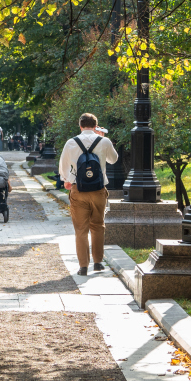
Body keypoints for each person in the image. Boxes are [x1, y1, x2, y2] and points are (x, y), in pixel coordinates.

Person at [58, 113, 118, 276]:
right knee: (98, 226)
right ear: (96, 125)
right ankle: (98, 263)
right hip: (98, 190)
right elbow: (114, 159)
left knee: (80, 229)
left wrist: (66, 180)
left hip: (78, 190)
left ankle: (83, 266)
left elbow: (63, 166)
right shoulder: (103, 141)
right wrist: (104, 139)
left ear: (80, 126)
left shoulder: (71, 143)